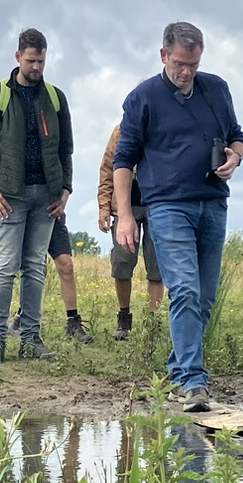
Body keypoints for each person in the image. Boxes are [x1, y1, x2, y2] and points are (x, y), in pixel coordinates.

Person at [112, 21, 243, 411]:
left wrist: (234, 157)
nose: (186, 72)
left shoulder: (217, 89)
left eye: (192, 64)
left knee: (203, 298)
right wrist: (124, 215)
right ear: (163, 56)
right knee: (184, 290)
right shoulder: (143, 98)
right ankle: (193, 383)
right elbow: (124, 160)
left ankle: (177, 369)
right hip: (167, 205)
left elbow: (238, 135)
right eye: (179, 64)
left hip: (212, 202)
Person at [0, 28, 73, 364]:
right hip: (8, 196)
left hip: (46, 196)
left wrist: (66, 189)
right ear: (17, 57)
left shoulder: (55, 98)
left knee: (34, 268)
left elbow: (66, 149)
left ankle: (30, 339)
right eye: (30, 60)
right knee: (4, 269)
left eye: (41, 61)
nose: (36, 67)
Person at [98, 124, 162, 339]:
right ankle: (124, 318)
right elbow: (107, 169)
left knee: (157, 266)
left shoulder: (163, 125)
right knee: (122, 263)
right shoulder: (121, 130)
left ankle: (154, 321)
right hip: (125, 206)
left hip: (157, 203)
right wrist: (104, 208)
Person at [9, 216, 93, 343]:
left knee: (66, 266)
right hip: (29, 214)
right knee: (36, 268)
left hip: (52, 215)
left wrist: (63, 199)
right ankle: (21, 317)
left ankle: (73, 322)